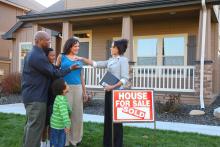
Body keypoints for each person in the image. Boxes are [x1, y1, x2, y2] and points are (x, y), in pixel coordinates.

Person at [22, 31, 79, 147]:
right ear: (39, 41)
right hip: (36, 98)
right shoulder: (37, 56)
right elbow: (53, 73)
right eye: (47, 40)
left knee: (30, 125)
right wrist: (70, 69)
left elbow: (50, 70)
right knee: (35, 128)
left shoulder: (33, 54)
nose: (49, 42)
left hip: (31, 96)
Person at [79, 39, 129, 147]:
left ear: (117, 48)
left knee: (116, 120)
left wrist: (112, 86)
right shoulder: (111, 60)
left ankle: (117, 144)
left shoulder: (123, 60)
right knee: (108, 118)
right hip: (109, 93)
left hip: (117, 94)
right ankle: (108, 143)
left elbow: (125, 79)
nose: (110, 48)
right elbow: (96, 64)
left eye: (112, 47)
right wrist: (82, 58)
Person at [56, 37, 88, 146]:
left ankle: (75, 139)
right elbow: (56, 72)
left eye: (78, 46)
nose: (77, 48)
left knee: (77, 114)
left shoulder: (79, 59)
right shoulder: (61, 56)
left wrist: (84, 92)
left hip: (78, 87)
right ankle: (64, 140)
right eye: (75, 46)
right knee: (65, 113)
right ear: (69, 46)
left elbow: (81, 76)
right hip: (65, 88)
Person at [41, 48, 58, 147]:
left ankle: (50, 143)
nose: (54, 57)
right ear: (46, 56)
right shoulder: (44, 68)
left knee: (52, 123)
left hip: (53, 98)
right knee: (45, 123)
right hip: (45, 98)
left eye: (54, 55)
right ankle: (43, 143)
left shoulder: (53, 67)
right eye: (52, 55)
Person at [50, 79, 71, 147]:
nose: (68, 85)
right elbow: (64, 114)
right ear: (63, 89)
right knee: (57, 143)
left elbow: (67, 108)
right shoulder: (61, 100)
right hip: (57, 127)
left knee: (57, 143)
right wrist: (68, 125)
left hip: (58, 125)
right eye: (66, 84)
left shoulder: (61, 98)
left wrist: (70, 111)